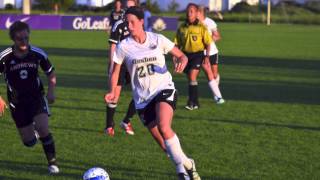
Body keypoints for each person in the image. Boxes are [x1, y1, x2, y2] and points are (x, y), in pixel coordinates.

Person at [105, 6, 201, 180]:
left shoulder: (157, 39)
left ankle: (183, 174)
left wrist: (182, 60)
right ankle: (187, 164)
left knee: (165, 127)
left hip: (164, 89)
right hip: (142, 100)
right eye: (127, 22)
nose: (129, 26)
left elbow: (182, 55)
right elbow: (115, 71)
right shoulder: (123, 46)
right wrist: (112, 92)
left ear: (142, 22)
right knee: (166, 147)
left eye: (132, 22)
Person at [0, 21, 59, 174]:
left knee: (43, 128)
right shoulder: (5, 57)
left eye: (27, 38)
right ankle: (34, 134)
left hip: (36, 98)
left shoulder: (37, 53)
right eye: (20, 39)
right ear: (13, 39)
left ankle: (52, 163)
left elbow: (50, 73)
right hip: (17, 103)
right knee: (29, 142)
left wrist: (51, 90)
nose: (24, 42)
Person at [105, 0, 138, 136]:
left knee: (140, 95)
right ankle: (109, 126)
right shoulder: (119, 25)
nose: (127, 9)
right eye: (126, 7)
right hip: (120, 65)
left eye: (131, 7)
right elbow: (112, 47)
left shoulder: (139, 25)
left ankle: (126, 121)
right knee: (114, 95)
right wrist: (111, 65)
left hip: (135, 64)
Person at [175, 3, 214, 110]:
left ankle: (191, 103)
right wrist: (176, 56)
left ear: (197, 13)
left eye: (191, 11)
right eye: (188, 11)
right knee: (190, 79)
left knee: (192, 76)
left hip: (198, 54)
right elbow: (177, 43)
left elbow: (208, 43)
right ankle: (195, 101)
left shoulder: (202, 27)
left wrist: (207, 56)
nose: (189, 13)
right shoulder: (182, 27)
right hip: (185, 56)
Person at [197, 6, 225, 104]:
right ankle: (217, 96)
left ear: (202, 13)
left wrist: (208, 41)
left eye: (198, 12)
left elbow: (218, 36)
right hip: (201, 54)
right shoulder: (193, 23)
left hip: (212, 52)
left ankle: (216, 93)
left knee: (214, 74)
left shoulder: (210, 22)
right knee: (207, 73)